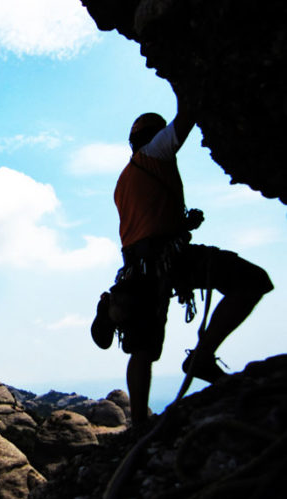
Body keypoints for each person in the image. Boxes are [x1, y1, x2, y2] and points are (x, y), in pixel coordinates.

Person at [92, 91, 274, 427]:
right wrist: (186, 81)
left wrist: (182, 224)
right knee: (251, 281)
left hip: (138, 266)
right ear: (152, 136)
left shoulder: (125, 179)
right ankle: (202, 358)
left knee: (142, 349)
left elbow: (145, 223)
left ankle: (137, 424)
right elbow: (186, 117)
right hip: (167, 259)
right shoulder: (156, 153)